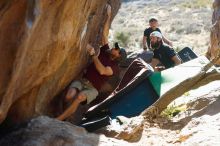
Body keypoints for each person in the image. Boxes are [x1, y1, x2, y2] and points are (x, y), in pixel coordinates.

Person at [56, 4, 127, 121]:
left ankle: (59, 118)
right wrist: (108, 16)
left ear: (118, 57)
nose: (115, 48)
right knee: (69, 95)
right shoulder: (106, 51)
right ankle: (64, 111)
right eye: (116, 48)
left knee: (80, 97)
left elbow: (102, 71)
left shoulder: (114, 68)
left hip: (92, 89)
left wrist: (93, 55)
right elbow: (104, 34)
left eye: (117, 50)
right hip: (83, 80)